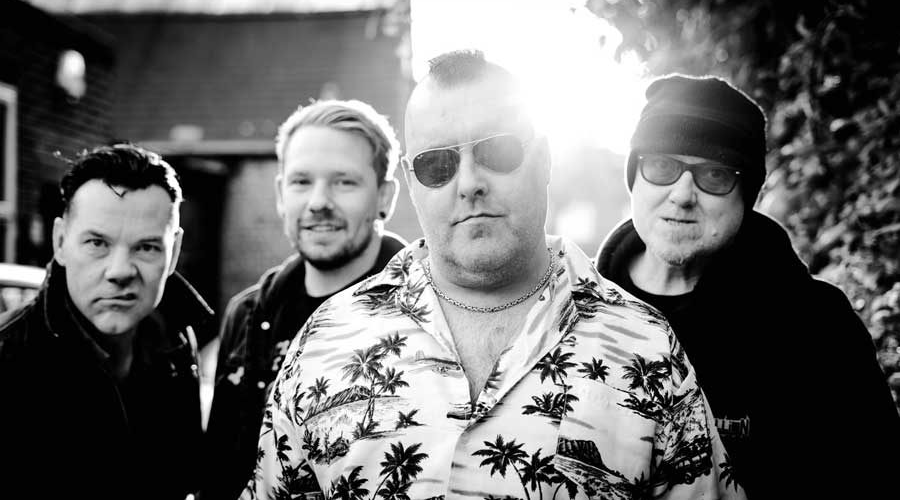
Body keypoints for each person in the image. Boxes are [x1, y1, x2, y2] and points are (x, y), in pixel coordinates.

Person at [241, 50, 743, 499]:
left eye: (497, 151)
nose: (469, 183)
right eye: (437, 165)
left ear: (543, 159)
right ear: (412, 185)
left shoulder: (648, 349)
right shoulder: (325, 342)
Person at [595, 74, 900, 498]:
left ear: (747, 194)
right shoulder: (575, 317)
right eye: (662, 166)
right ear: (635, 178)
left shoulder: (817, 326)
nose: (682, 195)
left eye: (715, 174)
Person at [202, 99, 406, 500]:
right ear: (281, 194)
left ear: (384, 197)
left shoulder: (423, 312)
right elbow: (218, 471)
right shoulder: (247, 314)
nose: (318, 202)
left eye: (344, 182)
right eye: (301, 182)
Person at [0, 143, 212, 500]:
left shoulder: (176, 341)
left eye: (146, 247)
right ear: (60, 241)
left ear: (174, 252)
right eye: (97, 243)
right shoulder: (9, 361)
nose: (120, 271)